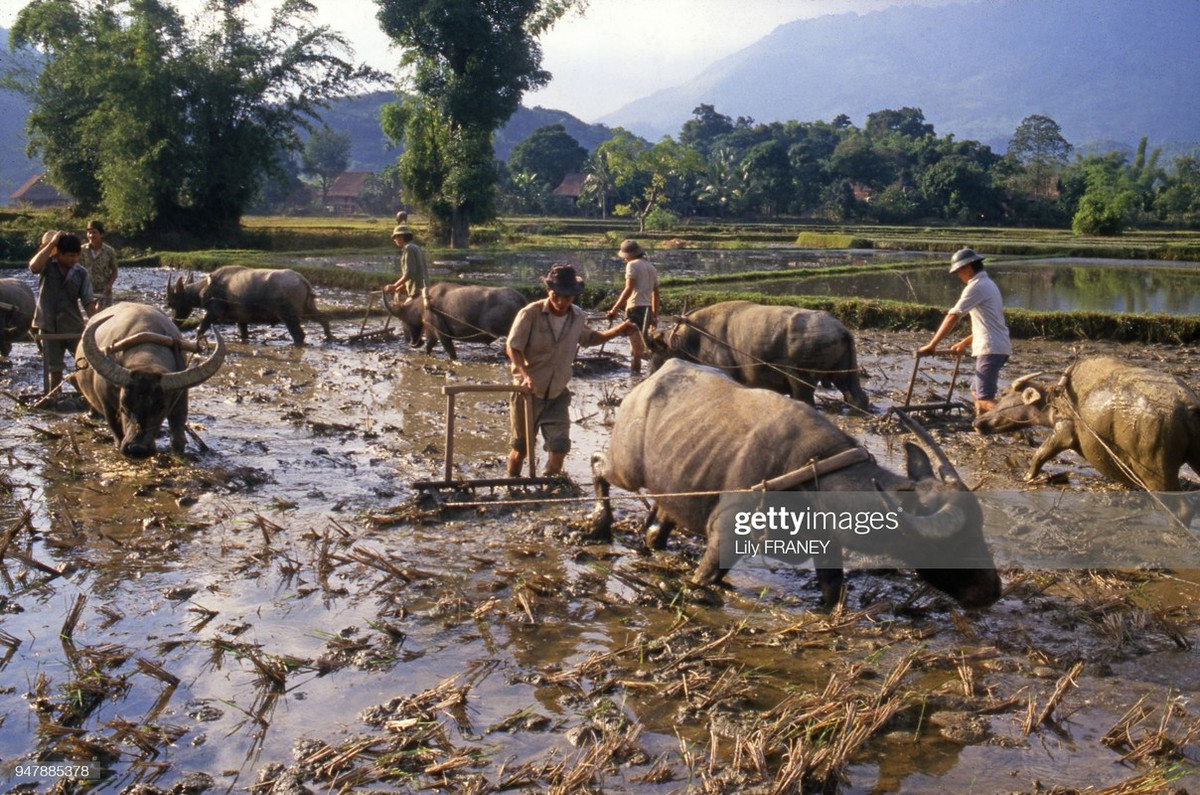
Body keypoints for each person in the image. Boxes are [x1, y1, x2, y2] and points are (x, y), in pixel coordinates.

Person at [506, 264, 646, 477]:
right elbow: (513, 347)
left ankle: (549, 485)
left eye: (568, 297)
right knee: (521, 449)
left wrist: (618, 331)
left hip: (557, 394)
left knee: (560, 447)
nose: (561, 302)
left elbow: (590, 339)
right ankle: (512, 486)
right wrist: (525, 376)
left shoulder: (577, 316)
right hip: (527, 393)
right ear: (548, 292)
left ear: (574, 296)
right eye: (556, 296)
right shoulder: (530, 314)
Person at [917, 247, 1012, 415]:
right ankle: (984, 427)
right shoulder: (989, 284)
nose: (959, 276)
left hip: (991, 350)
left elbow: (953, 316)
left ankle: (1017, 419)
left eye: (959, 272)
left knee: (984, 399)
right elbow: (987, 326)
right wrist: (964, 343)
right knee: (976, 392)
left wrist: (932, 345)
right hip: (997, 346)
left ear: (968, 267)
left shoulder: (976, 287)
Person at [29, 231, 98, 396]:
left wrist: (96, 320)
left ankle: (87, 394)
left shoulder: (81, 273)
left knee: (84, 362)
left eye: (76, 256)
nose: (73, 260)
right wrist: (52, 243)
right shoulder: (47, 265)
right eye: (69, 256)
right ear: (59, 254)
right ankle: (54, 394)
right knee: (55, 367)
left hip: (73, 325)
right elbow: (33, 267)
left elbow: (88, 301)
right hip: (47, 324)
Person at [605, 238, 660, 373]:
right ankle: (636, 378)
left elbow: (628, 289)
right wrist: (654, 316)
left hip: (635, 309)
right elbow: (656, 294)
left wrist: (614, 309)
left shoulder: (632, 265)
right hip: (647, 310)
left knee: (636, 350)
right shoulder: (651, 267)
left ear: (629, 256)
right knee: (637, 347)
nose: (625, 260)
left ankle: (647, 370)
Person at [381, 225, 429, 299]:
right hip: (423, 289)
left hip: (416, 291)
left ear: (401, 237)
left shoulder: (408, 249)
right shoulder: (416, 247)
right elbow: (417, 273)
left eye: (395, 237)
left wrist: (394, 286)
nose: (394, 240)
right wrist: (402, 286)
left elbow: (409, 273)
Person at [83, 219, 119, 309]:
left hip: (104, 292)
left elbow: (115, 270)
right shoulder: (81, 250)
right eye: (89, 233)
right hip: (87, 290)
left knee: (103, 317)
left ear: (101, 234)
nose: (91, 235)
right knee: (91, 319)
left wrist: (109, 285)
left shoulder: (109, 251)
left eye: (94, 232)